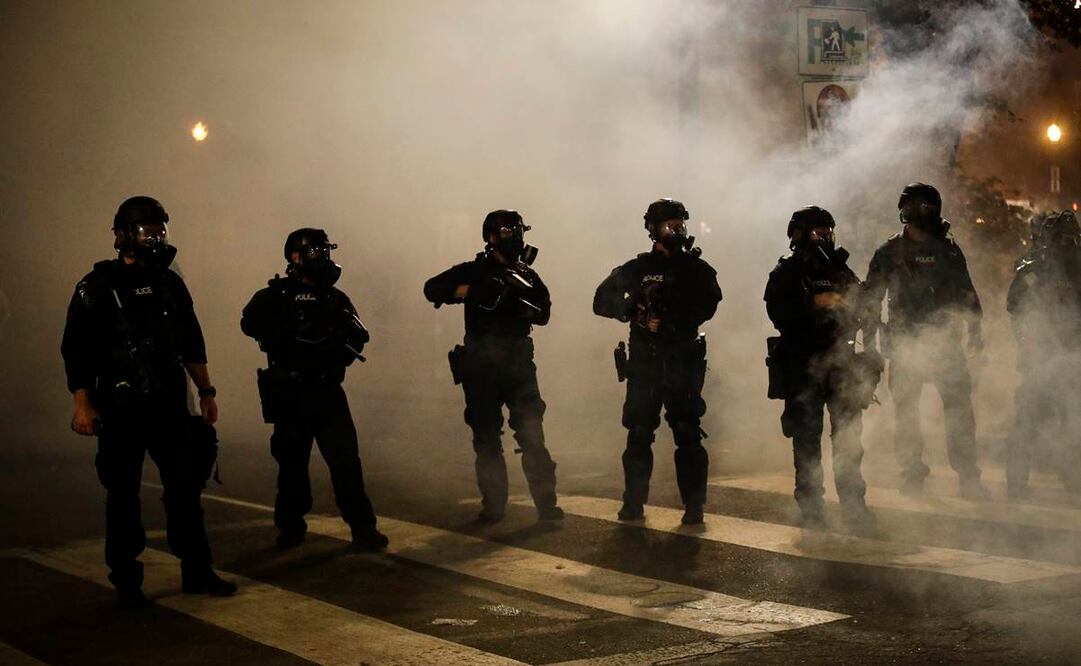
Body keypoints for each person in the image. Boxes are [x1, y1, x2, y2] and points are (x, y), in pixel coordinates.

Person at [61, 195, 235, 608]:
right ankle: (127, 581)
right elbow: (77, 349)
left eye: (160, 231)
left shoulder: (169, 282)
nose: (155, 239)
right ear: (124, 235)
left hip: (169, 403)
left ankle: (197, 570)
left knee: (185, 489)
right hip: (120, 405)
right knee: (122, 494)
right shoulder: (97, 286)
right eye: (146, 231)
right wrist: (82, 404)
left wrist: (206, 392)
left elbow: (191, 341)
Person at [241, 228, 388, 550]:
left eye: (325, 251)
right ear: (295, 256)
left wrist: (332, 341)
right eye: (316, 252)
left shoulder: (334, 298)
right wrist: (290, 331)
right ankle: (291, 527)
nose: (323, 258)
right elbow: (249, 323)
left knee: (346, 463)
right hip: (291, 391)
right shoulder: (275, 296)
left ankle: (363, 529)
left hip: (326, 391)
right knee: (292, 467)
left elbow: (359, 335)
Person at [423, 210, 562, 523]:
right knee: (487, 440)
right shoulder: (475, 270)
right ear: (490, 237)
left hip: (517, 364)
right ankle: (494, 505)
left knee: (532, 436)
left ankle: (546, 505)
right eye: (506, 232)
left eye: (517, 231)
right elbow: (432, 288)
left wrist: (519, 305)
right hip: (481, 366)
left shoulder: (526, 274)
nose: (514, 237)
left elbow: (544, 313)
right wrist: (469, 292)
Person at [593, 199, 722, 525]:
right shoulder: (637, 269)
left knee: (688, 433)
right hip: (646, 364)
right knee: (638, 433)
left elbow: (709, 303)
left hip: (681, 360)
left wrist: (673, 320)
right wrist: (633, 310)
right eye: (670, 227)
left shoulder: (695, 268)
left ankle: (694, 508)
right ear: (653, 229)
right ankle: (633, 504)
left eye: (681, 225)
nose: (677, 232)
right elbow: (601, 300)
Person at [864, 183, 990, 499]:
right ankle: (913, 475)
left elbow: (967, 294)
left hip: (945, 345)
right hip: (906, 346)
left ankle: (968, 476)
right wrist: (869, 341)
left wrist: (975, 333)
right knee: (907, 414)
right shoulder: (890, 252)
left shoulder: (947, 249)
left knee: (959, 412)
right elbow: (870, 299)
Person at [765, 206, 878, 532]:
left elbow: (862, 308)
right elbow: (779, 314)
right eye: (819, 233)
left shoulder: (842, 270)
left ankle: (854, 506)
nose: (826, 238)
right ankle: (811, 506)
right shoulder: (787, 272)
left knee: (848, 440)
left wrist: (856, 303)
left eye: (829, 232)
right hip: (804, 365)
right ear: (800, 235)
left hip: (840, 363)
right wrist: (814, 304)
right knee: (807, 441)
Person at [1005, 211, 1081, 497]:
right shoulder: (1032, 271)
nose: (1066, 244)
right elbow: (1014, 307)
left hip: (1073, 356)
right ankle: (1017, 481)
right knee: (1028, 419)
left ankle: (1073, 476)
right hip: (1039, 357)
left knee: (1073, 419)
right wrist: (1029, 338)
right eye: (1061, 238)